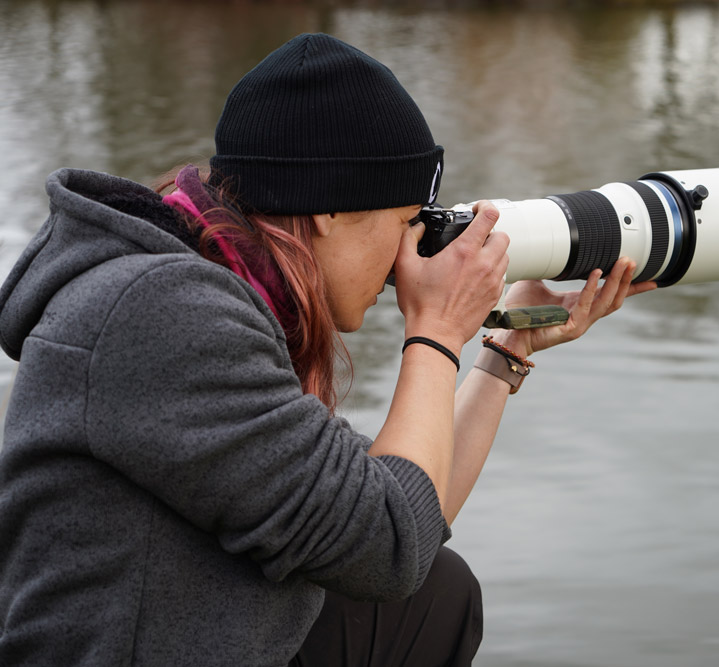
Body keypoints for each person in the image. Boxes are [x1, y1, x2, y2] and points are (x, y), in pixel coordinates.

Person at [0, 33, 654, 666]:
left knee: (437, 594)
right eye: (403, 224)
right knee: (425, 592)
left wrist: (504, 350)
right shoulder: (161, 313)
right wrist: (433, 330)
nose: (407, 258)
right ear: (328, 211)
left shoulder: (213, 296)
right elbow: (390, 543)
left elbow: (405, 519)